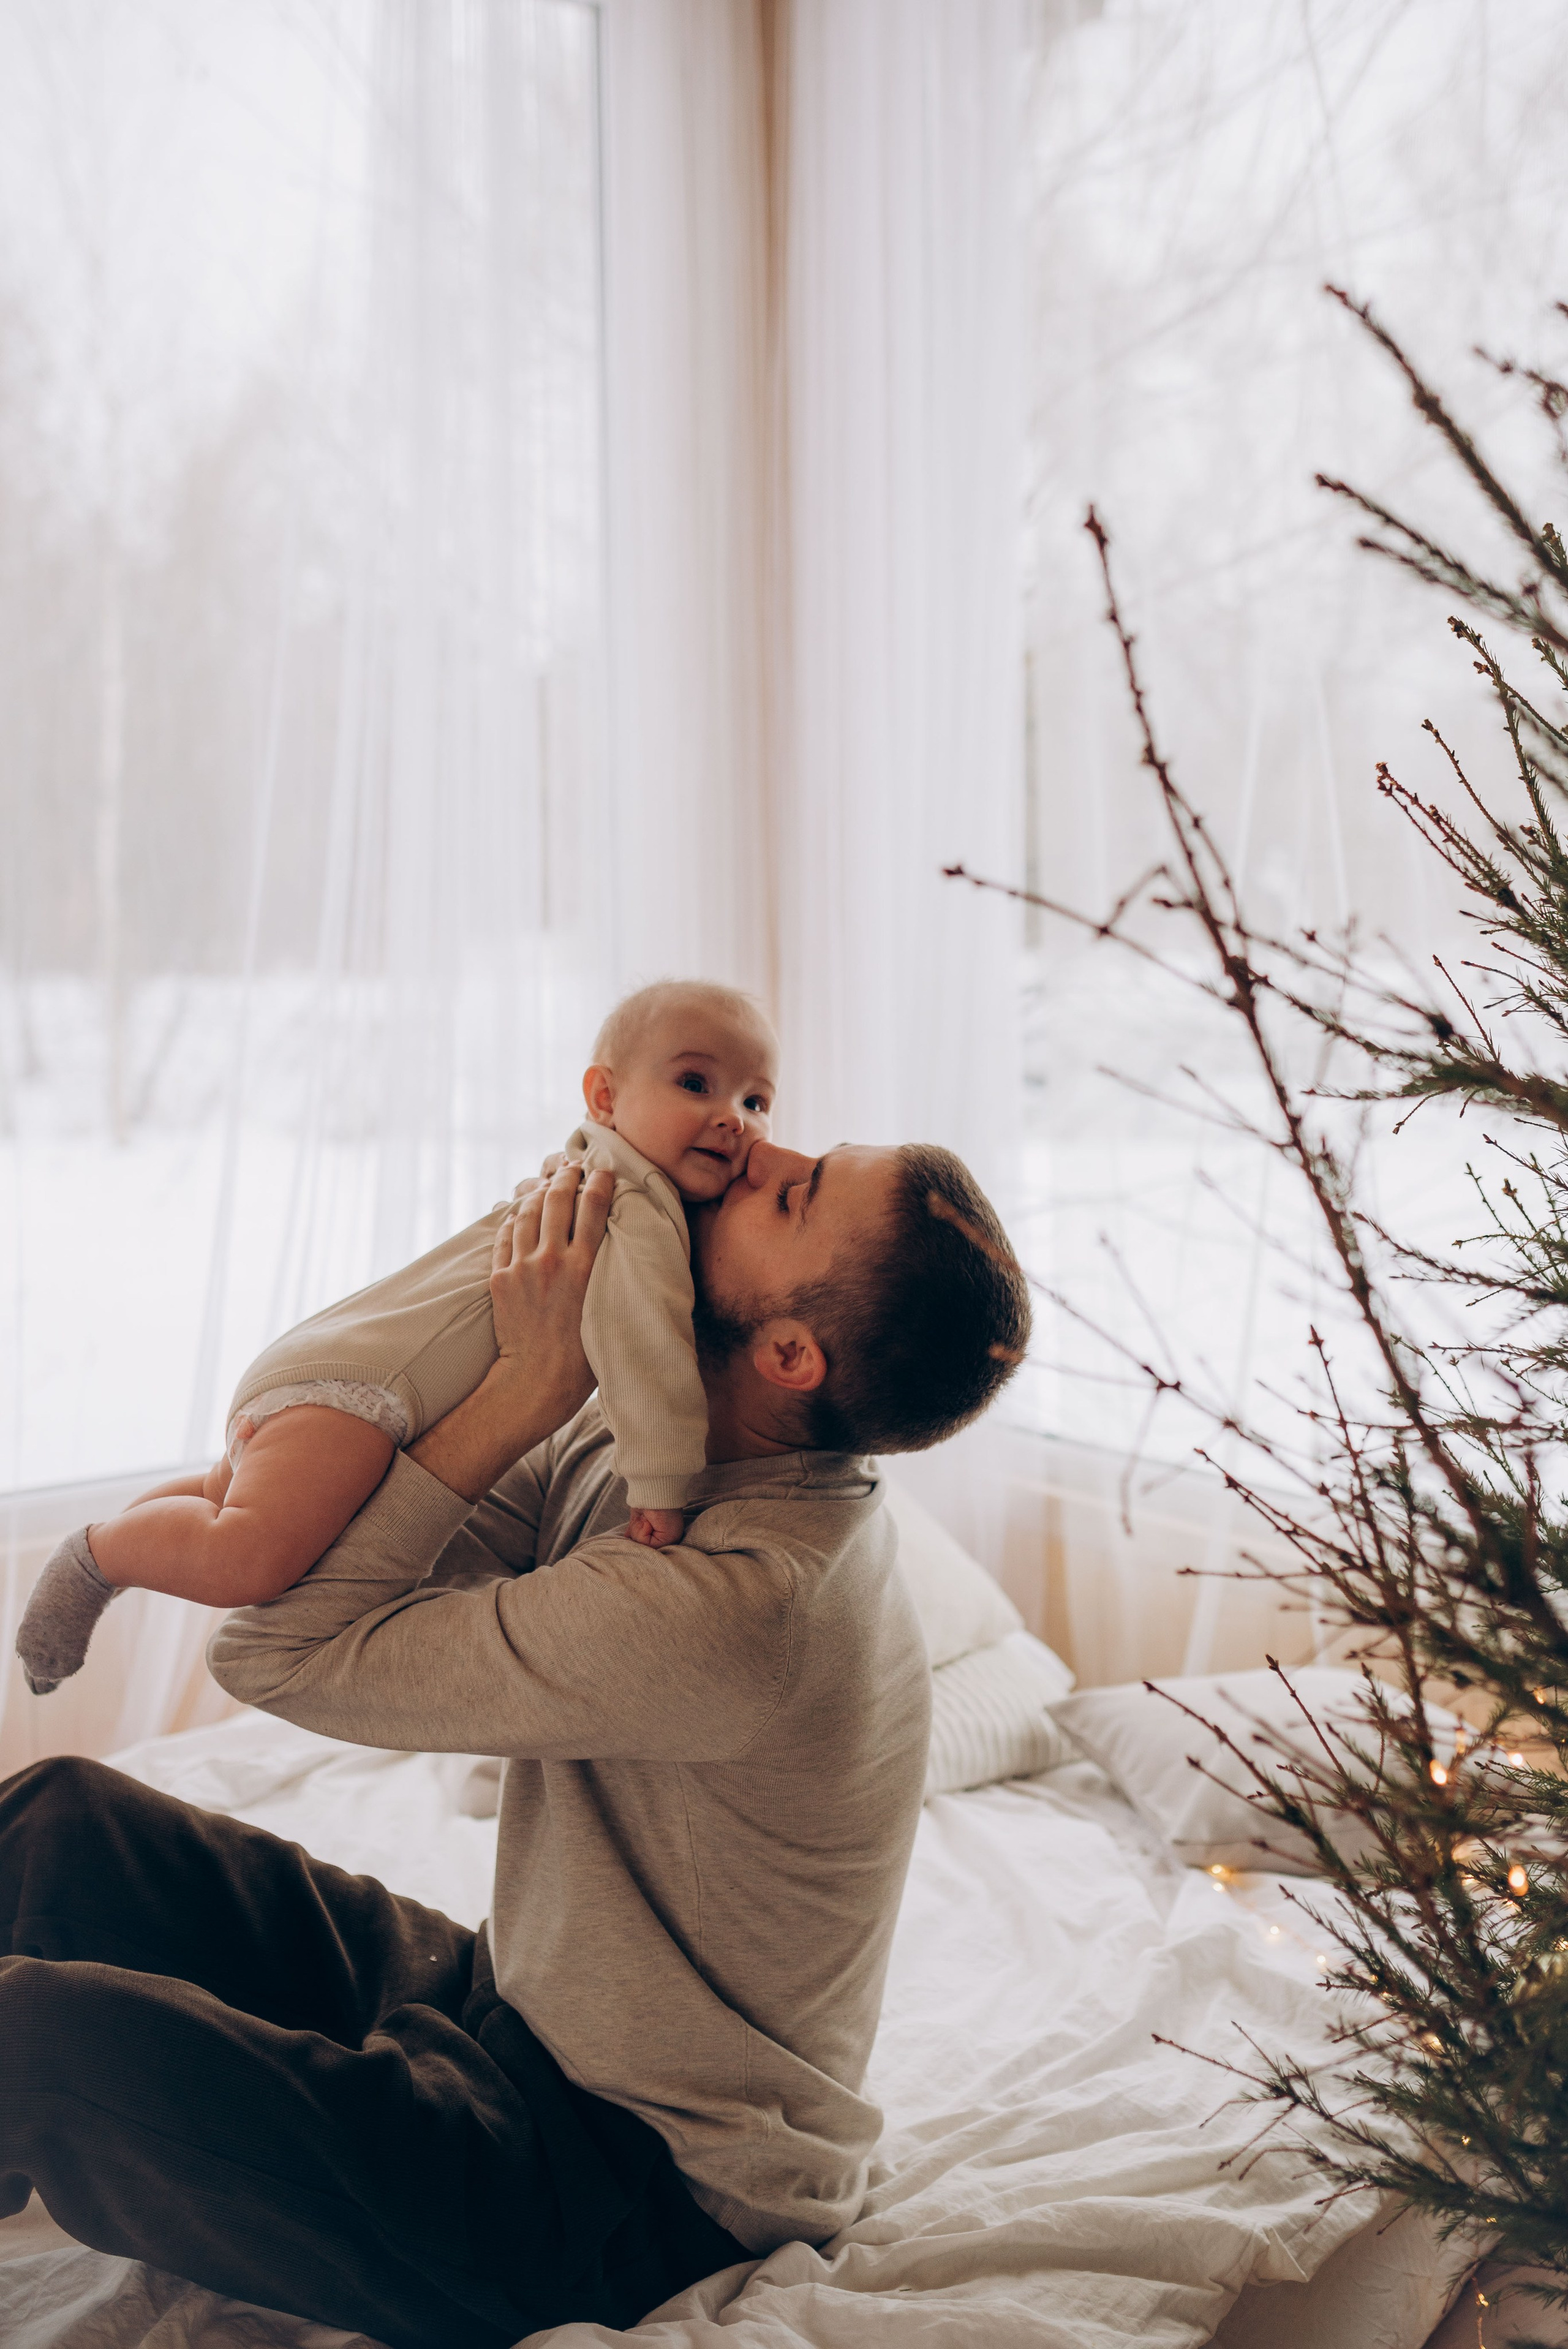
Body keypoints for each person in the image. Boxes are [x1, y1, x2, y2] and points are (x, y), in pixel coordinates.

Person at [0, 1134, 1031, 2349]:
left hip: (617, 2186)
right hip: (513, 2006)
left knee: (32, 2037)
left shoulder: (742, 1607)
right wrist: (532, 1365)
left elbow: (272, 1650)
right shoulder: (664, 1453)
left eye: (793, 1194)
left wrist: (524, 1392)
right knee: (59, 1817)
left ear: (790, 1355)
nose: (756, 1149)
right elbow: (364, 1550)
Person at [16, 980, 780, 1699]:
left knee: (228, 1497)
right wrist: (659, 1484)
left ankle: (121, 1541)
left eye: (756, 1098)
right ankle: (96, 1556)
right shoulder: (634, 1208)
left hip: (337, 1364)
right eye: (695, 1084)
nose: (733, 1117)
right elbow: (649, 1359)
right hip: (362, 1394)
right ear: (605, 1096)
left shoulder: (580, 1168)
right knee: (251, 1559)